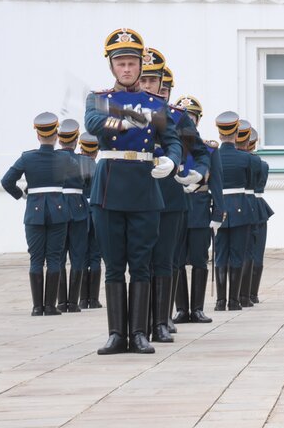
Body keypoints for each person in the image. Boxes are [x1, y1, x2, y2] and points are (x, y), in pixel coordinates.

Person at [85, 27, 183, 354]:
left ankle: (139, 333)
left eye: (131, 63)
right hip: (110, 183)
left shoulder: (154, 103)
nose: (126, 69)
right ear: (112, 67)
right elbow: (94, 125)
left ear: (141, 66)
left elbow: (171, 139)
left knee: (141, 262)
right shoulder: (99, 99)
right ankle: (116, 334)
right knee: (114, 262)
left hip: (143, 184)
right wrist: (127, 120)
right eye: (120, 63)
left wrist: (170, 159)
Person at [139, 57, 210, 342]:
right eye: (143, 80)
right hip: (137, 193)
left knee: (165, 259)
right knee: (141, 259)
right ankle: (140, 322)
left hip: (169, 194)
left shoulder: (178, 117)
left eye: (153, 81)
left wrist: (199, 174)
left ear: (164, 86)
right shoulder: (123, 111)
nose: (148, 86)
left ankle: (161, 320)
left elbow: (201, 154)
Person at [1, 112, 73, 316]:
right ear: (57, 135)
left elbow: (6, 181)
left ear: (38, 136)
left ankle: (36, 307)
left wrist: (22, 193)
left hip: (34, 212)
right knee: (54, 258)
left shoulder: (27, 157)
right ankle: (50, 306)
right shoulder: (64, 157)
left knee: (36, 259)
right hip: (59, 212)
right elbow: (79, 176)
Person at [173, 95, 224, 324]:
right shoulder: (169, 149)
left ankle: (197, 308)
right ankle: (181, 309)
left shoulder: (209, 150)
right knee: (176, 260)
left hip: (199, 208)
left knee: (199, 259)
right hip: (174, 208)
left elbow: (217, 184)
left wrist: (218, 214)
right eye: (185, 117)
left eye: (191, 117)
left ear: (198, 120)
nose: (188, 121)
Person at [214, 111, 257, 311]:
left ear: (220, 134)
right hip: (240, 207)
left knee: (220, 254)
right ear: (236, 132)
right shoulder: (244, 158)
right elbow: (250, 184)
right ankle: (233, 300)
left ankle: (220, 301)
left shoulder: (213, 155)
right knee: (237, 254)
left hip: (219, 208)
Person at [55, 119, 90, 313]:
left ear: (59, 139)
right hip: (78, 208)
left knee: (58, 256)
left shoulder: (53, 158)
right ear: (77, 140)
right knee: (78, 255)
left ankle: (61, 302)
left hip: (58, 207)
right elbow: (91, 186)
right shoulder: (85, 161)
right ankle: (73, 302)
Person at [236, 120, 261, 307]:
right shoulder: (257, 162)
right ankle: (249, 294)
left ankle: (231, 295)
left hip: (231, 204)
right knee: (252, 251)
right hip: (253, 204)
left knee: (230, 252)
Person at [77, 132, 102, 309]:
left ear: (81, 146)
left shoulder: (73, 165)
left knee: (81, 255)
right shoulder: (100, 167)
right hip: (96, 213)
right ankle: (93, 299)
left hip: (79, 214)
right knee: (95, 256)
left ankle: (81, 298)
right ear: (97, 150)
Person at [248, 127, 273, 303]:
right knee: (257, 250)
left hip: (243, 204)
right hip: (258, 205)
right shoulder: (262, 164)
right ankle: (252, 292)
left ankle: (243, 291)